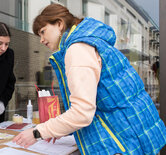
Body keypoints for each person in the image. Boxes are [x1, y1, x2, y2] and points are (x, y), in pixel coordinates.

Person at [13, 4, 166, 154]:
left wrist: (37, 132)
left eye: (42, 32)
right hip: (133, 132)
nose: (41, 40)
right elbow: (101, 101)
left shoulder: (78, 49)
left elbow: (82, 113)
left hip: (121, 141)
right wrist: (59, 130)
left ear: (59, 24)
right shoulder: (91, 42)